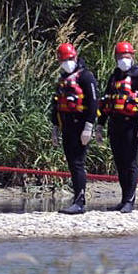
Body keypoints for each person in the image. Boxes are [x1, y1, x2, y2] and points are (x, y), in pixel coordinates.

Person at [98, 40, 138, 212]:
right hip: (115, 125)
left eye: (127, 56)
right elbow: (106, 102)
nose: (124, 59)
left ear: (133, 56)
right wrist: (100, 125)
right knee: (120, 162)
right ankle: (123, 199)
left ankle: (130, 199)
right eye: (121, 56)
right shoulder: (114, 77)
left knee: (130, 162)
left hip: (132, 125)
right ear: (116, 57)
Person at [49, 42, 98, 214]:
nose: (66, 62)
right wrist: (55, 128)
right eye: (63, 60)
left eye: (69, 59)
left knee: (78, 163)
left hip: (80, 126)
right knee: (72, 163)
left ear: (75, 57)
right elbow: (55, 106)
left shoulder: (86, 77)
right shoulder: (63, 80)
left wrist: (89, 127)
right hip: (66, 127)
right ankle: (77, 197)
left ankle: (80, 201)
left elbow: (93, 103)